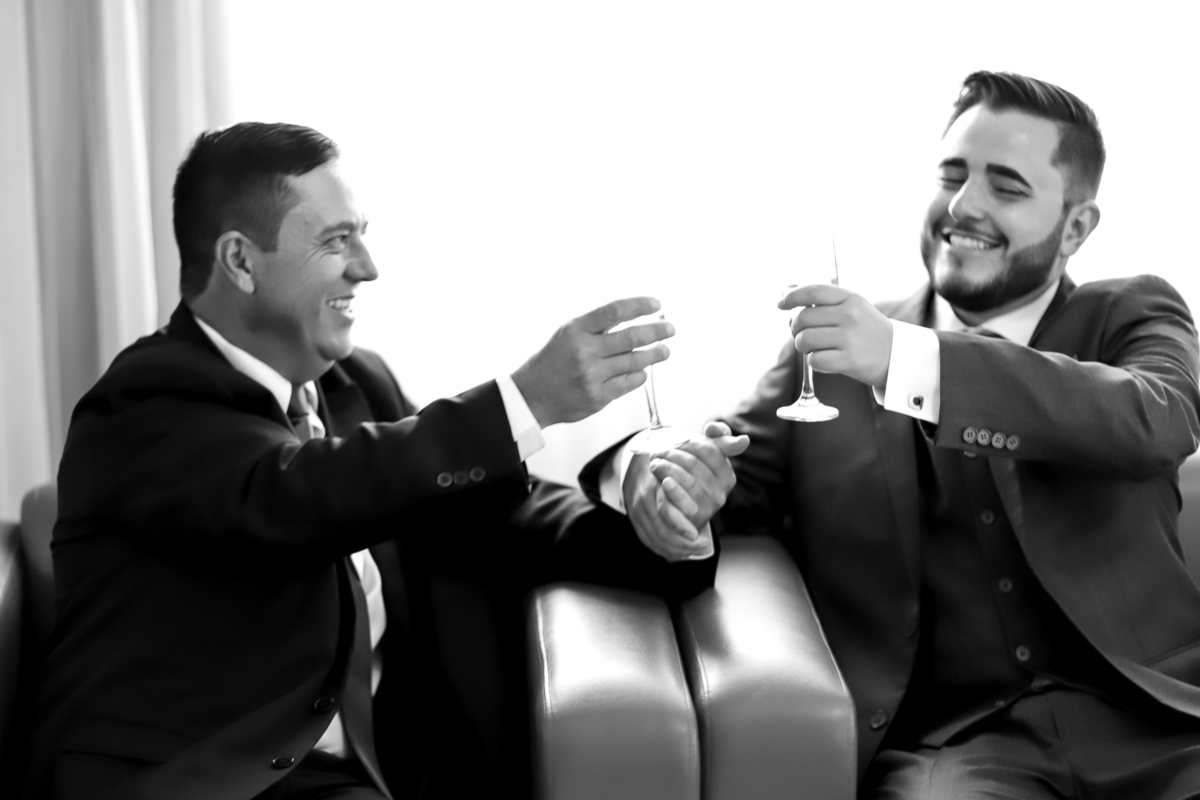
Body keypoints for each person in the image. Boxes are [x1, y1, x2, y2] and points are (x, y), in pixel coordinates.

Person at [24, 122, 736, 800]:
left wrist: (657, 525)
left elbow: (489, 511)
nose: (367, 268)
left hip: (356, 779)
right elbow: (306, 494)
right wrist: (526, 400)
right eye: (337, 241)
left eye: (362, 235)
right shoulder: (143, 405)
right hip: (188, 780)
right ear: (240, 261)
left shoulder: (356, 385)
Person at [592, 71, 1200, 797]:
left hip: (1160, 722)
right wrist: (652, 467)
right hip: (957, 752)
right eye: (952, 175)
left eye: (1006, 187)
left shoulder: (1131, 312)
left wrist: (905, 361)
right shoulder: (826, 356)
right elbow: (723, 473)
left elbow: (1158, 417)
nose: (962, 206)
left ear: (1076, 228)